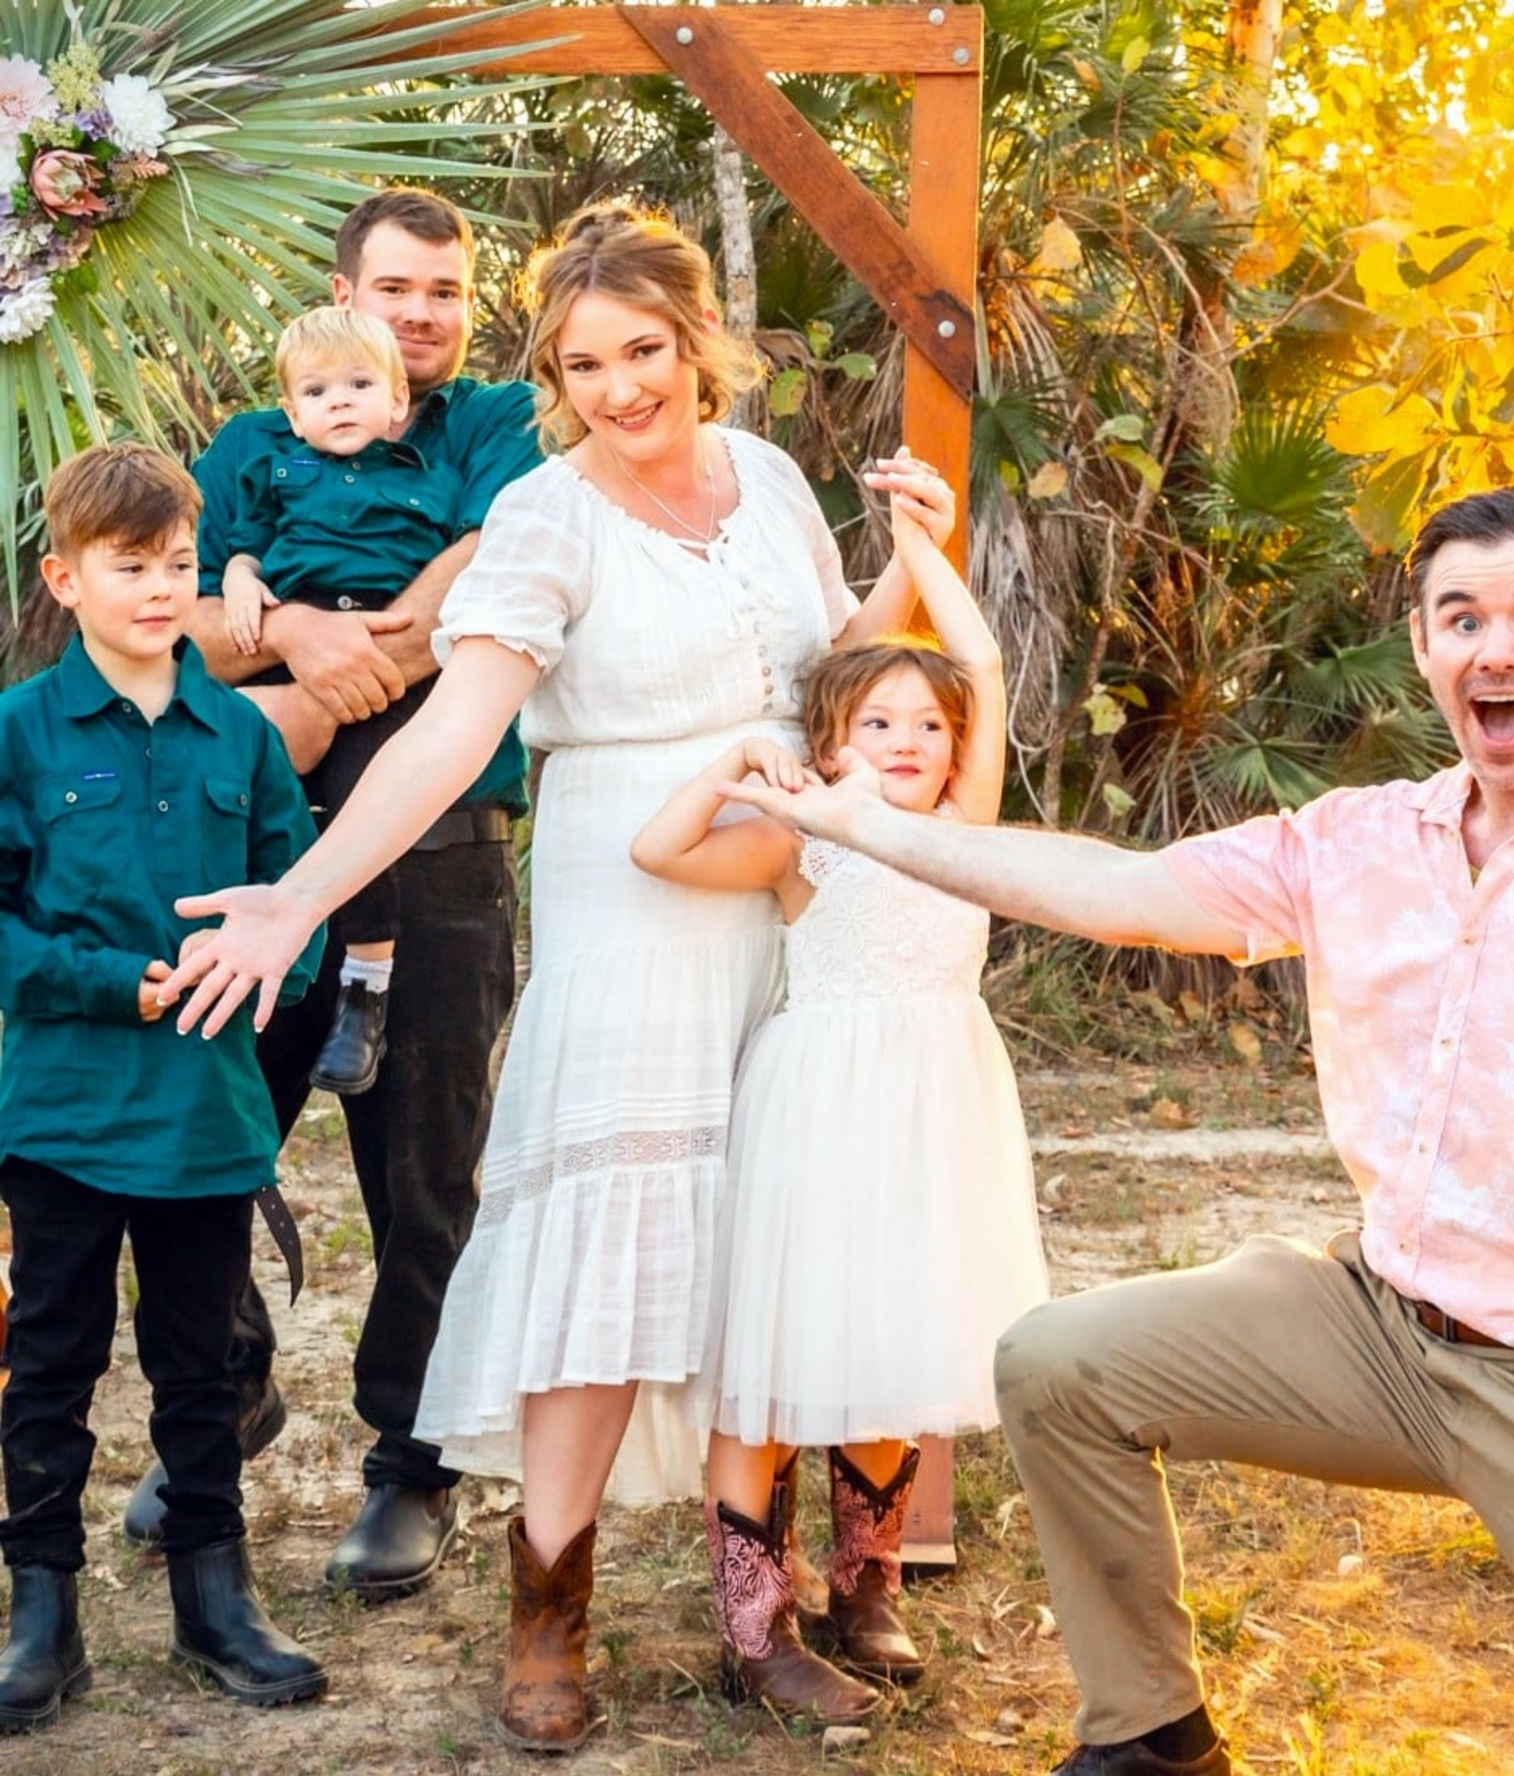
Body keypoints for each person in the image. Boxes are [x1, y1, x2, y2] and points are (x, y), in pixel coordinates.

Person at [706, 486, 1514, 1776]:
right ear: (1430, 649)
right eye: (1462, 616)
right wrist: (875, 829)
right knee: (1062, 1363)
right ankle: (1151, 1741)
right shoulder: (1364, 842)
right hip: (1379, 1330)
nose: (1498, 644)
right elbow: (1121, 889)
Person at [153, 205, 956, 1752]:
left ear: (700, 341)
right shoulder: (542, 514)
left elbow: (825, 673)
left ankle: (768, 1608)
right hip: (633, 906)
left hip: (789, 896)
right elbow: (454, 730)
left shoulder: (774, 482)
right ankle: (548, 1620)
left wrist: (917, 564)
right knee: (607, 1265)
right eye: (582, 363)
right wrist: (305, 892)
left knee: (783, 1243)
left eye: (642, 352)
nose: (616, 389)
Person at [120, 188, 543, 1600]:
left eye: (445, 289)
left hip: (435, 856)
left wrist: (332, 662)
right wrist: (288, 628)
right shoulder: (251, 448)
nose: (421, 314)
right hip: (240, 860)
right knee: (197, 1147)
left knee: (422, 1173)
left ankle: (412, 1462)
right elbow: (165, 621)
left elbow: (489, 582)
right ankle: (220, 1403)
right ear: (342, 294)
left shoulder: (490, 427)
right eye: (395, 289)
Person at [631, 489, 1047, 1718]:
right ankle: (753, 1625)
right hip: (817, 1106)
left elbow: (974, 654)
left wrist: (921, 542)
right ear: (831, 740)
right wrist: (727, 767)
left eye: (929, 725)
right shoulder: (802, 838)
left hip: (935, 1102)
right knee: (783, 1344)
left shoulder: (959, 832)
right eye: (878, 720)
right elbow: (659, 852)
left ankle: (867, 1585)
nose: (910, 739)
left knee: (898, 1325)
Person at [0, 444, 327, 1733]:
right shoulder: (20, 731)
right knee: (49, 1362)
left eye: (178, 565)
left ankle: (214, 1597)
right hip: (65, 1112)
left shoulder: (240, 735)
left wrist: (250, 969)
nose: (156, 589)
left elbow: (298, 909)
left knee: (201, 1367)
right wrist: (100, 981)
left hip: (204, 1119)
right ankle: (42, 1608)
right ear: (65, 578)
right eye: (128, 567)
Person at [220, 304, 472, 1097]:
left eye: (360, 384)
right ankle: (232, 958)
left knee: (369, 800)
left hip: (389, 659)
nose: (340, 401)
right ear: (291, 414)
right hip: (297, 638)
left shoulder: (432, 476)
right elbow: (246, 548)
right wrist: (240, 581)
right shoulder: (278, 470)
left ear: (398, 401)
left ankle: (366, 981)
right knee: (255, 784)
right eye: (318, 391)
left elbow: (459, 572)